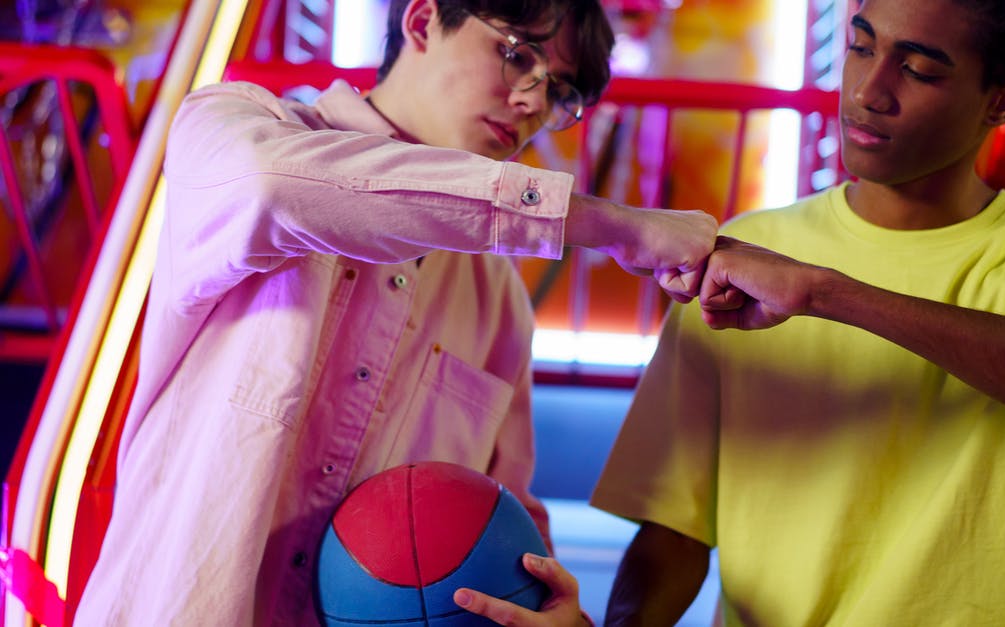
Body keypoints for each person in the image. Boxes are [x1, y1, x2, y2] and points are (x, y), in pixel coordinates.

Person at [73, 0, 717, 624]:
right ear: (421, 19)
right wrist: (614, 225)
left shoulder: (500, 302)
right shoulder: (234, 127)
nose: (532, 102)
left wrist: (547, 609)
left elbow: (503, 510)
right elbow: (271, 188)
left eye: (558, 92)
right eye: (518, 56)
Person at [583, 0, 1005, 625]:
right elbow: (676, 527)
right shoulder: (743, 251)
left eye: (917, 70)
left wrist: (831, 294)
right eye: (861, 47)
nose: (867, 90)